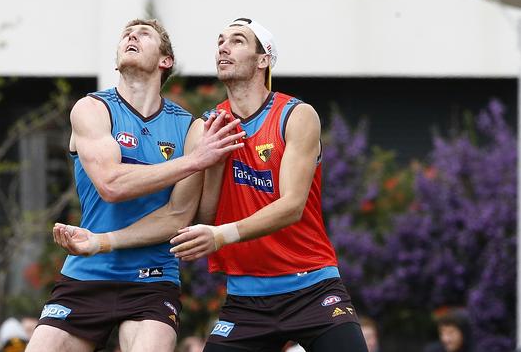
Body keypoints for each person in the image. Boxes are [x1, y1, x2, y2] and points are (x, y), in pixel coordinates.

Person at [26, 18, 243, 352]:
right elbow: (111, 184)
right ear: (116, 61)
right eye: (126, 34)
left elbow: (178, 218)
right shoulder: (92, 109)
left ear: (165, 60)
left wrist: (102, 241)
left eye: (144, 34)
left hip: (152, 277)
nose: (131, 35)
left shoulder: (188, 128)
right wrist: (194, 161)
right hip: (87, 274)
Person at [169, 18, 369, 352]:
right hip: (245, 298)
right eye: (220, 41)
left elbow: (291, 206)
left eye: (237, 40)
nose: (223, 46)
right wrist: (214, 164)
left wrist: (221, 236)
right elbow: (204, 217)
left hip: (311, 286)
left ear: (263, 60)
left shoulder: (296, 115)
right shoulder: (206, 127)